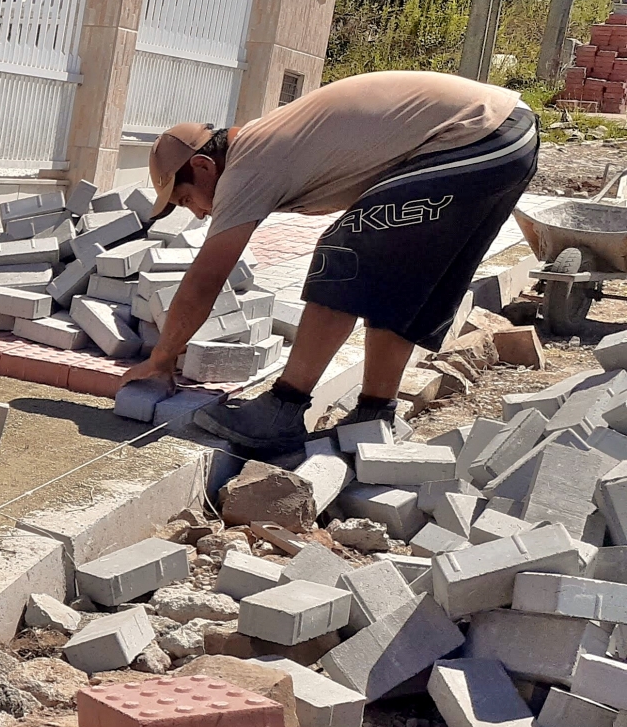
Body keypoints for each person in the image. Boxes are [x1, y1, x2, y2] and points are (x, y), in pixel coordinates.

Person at [121, 69, 539, 457]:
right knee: (398, 277)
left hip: (476, 134)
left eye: (186, 199)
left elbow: (206, 278)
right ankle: (374, 414)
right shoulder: (270, 145)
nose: (196, 213)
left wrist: (161, 359)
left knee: (342, 254)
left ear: (203, 165)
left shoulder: (248, 163)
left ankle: (282, 408)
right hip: (505, 138)